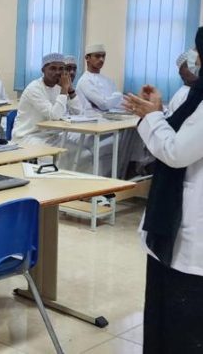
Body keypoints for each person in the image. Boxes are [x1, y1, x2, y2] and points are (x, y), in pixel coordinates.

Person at [121, 27, 203, 354]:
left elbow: (176, 151)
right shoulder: (195, 96)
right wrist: (156, 112)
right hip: (177, 228)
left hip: (190, 236)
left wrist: (152, 116)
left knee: (180, 329)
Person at [12, 53, 90, 165]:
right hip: (29, 136)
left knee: (84, 154)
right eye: (53, 68)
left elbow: (78, 113)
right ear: (43, 70)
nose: (57, 72)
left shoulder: (59, 87)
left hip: (52, 135)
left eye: (61, 69)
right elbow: (54, 116)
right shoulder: (34, 89)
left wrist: (70, 90)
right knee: (53, 157)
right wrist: (64, 89)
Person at [76, 44, 123, 111]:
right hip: (91, 117)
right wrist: (119, 95)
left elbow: (120, 104)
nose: (101, 59)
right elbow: (103, 104)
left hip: (112, 116)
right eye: (97, 56)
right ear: (87, 58)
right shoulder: (84, 81)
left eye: (103, 56)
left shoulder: (108, 80)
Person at [168, 49, 199, 114]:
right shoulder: (184, 93)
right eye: (188, 66)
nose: (194, 69)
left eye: (196, 65)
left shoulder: (197, 93)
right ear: (180, 72)